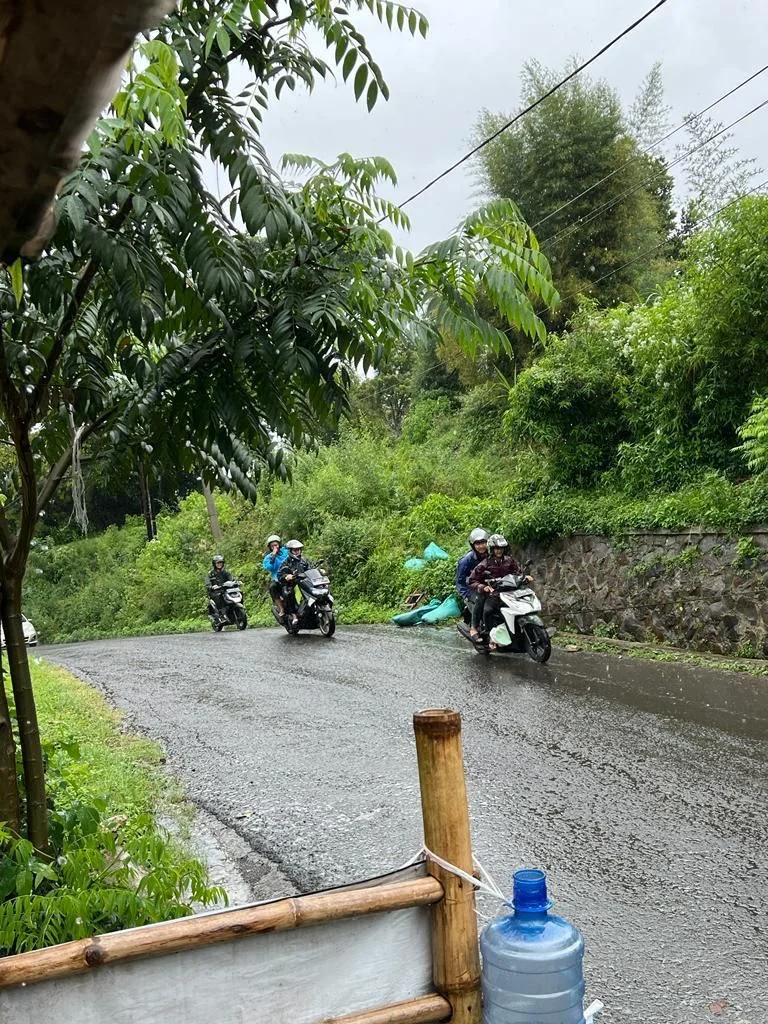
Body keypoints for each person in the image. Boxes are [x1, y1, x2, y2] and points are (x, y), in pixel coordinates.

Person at [468, 534, 532, 644]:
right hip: (494, 593)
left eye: (501, 548)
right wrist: (483, 587)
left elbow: (518, 573)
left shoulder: (509, 561)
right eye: (497, 548)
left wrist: (525, 578)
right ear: (492, 549)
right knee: (488, 610)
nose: (499, 551)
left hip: (510, 592)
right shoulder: (485, 563)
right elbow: (472, 580)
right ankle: (488, 634)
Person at [277, 540, 317, 624]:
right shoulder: (286, 562)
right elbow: (280, 574)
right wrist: (287, 576)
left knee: (319, 587)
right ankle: (294, 615)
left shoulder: (304, 560)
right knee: (288, 593)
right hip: (292, 583)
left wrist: (318, 571)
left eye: (298, 549)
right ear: (290, 551)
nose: (297, 552)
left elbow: (312, 568)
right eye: (295, 550)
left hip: (305, 581)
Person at [456, 528, 489, 617]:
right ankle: (475, 624)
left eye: (483, 542)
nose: (481, 546)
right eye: (477, 543)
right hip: (471, 589)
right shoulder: (466, 561)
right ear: (473, 545)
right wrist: (468, 595)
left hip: (487, 587)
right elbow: (460, 582)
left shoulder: (490, 556)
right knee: (479, 599)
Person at [262, 535, 288, 617]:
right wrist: (273, 556)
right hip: (278, 578)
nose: (275, 547)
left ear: (279, 544)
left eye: (276, 545)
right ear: (270, 547)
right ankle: (281, 608)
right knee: (272, 587)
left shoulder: (286, 551)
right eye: (272, 546)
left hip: (290, 574)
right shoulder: (268, 558)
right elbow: (270, 567)